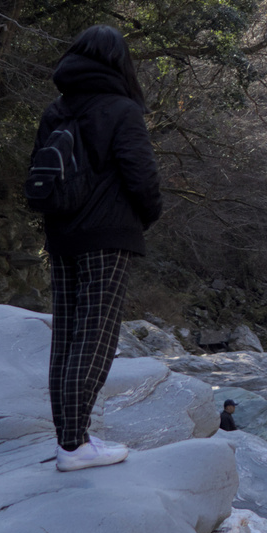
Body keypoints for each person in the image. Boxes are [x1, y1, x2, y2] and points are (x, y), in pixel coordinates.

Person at [32, 26, 163, 472]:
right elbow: (141, 177)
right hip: (108, 237)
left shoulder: (56, 109)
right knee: (97, 337)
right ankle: (75, 446)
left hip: (62, 234)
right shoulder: (122, 110)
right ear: (119, 61)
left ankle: (69, 439)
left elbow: (41, 175)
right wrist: (145, 217)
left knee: (67, 337)